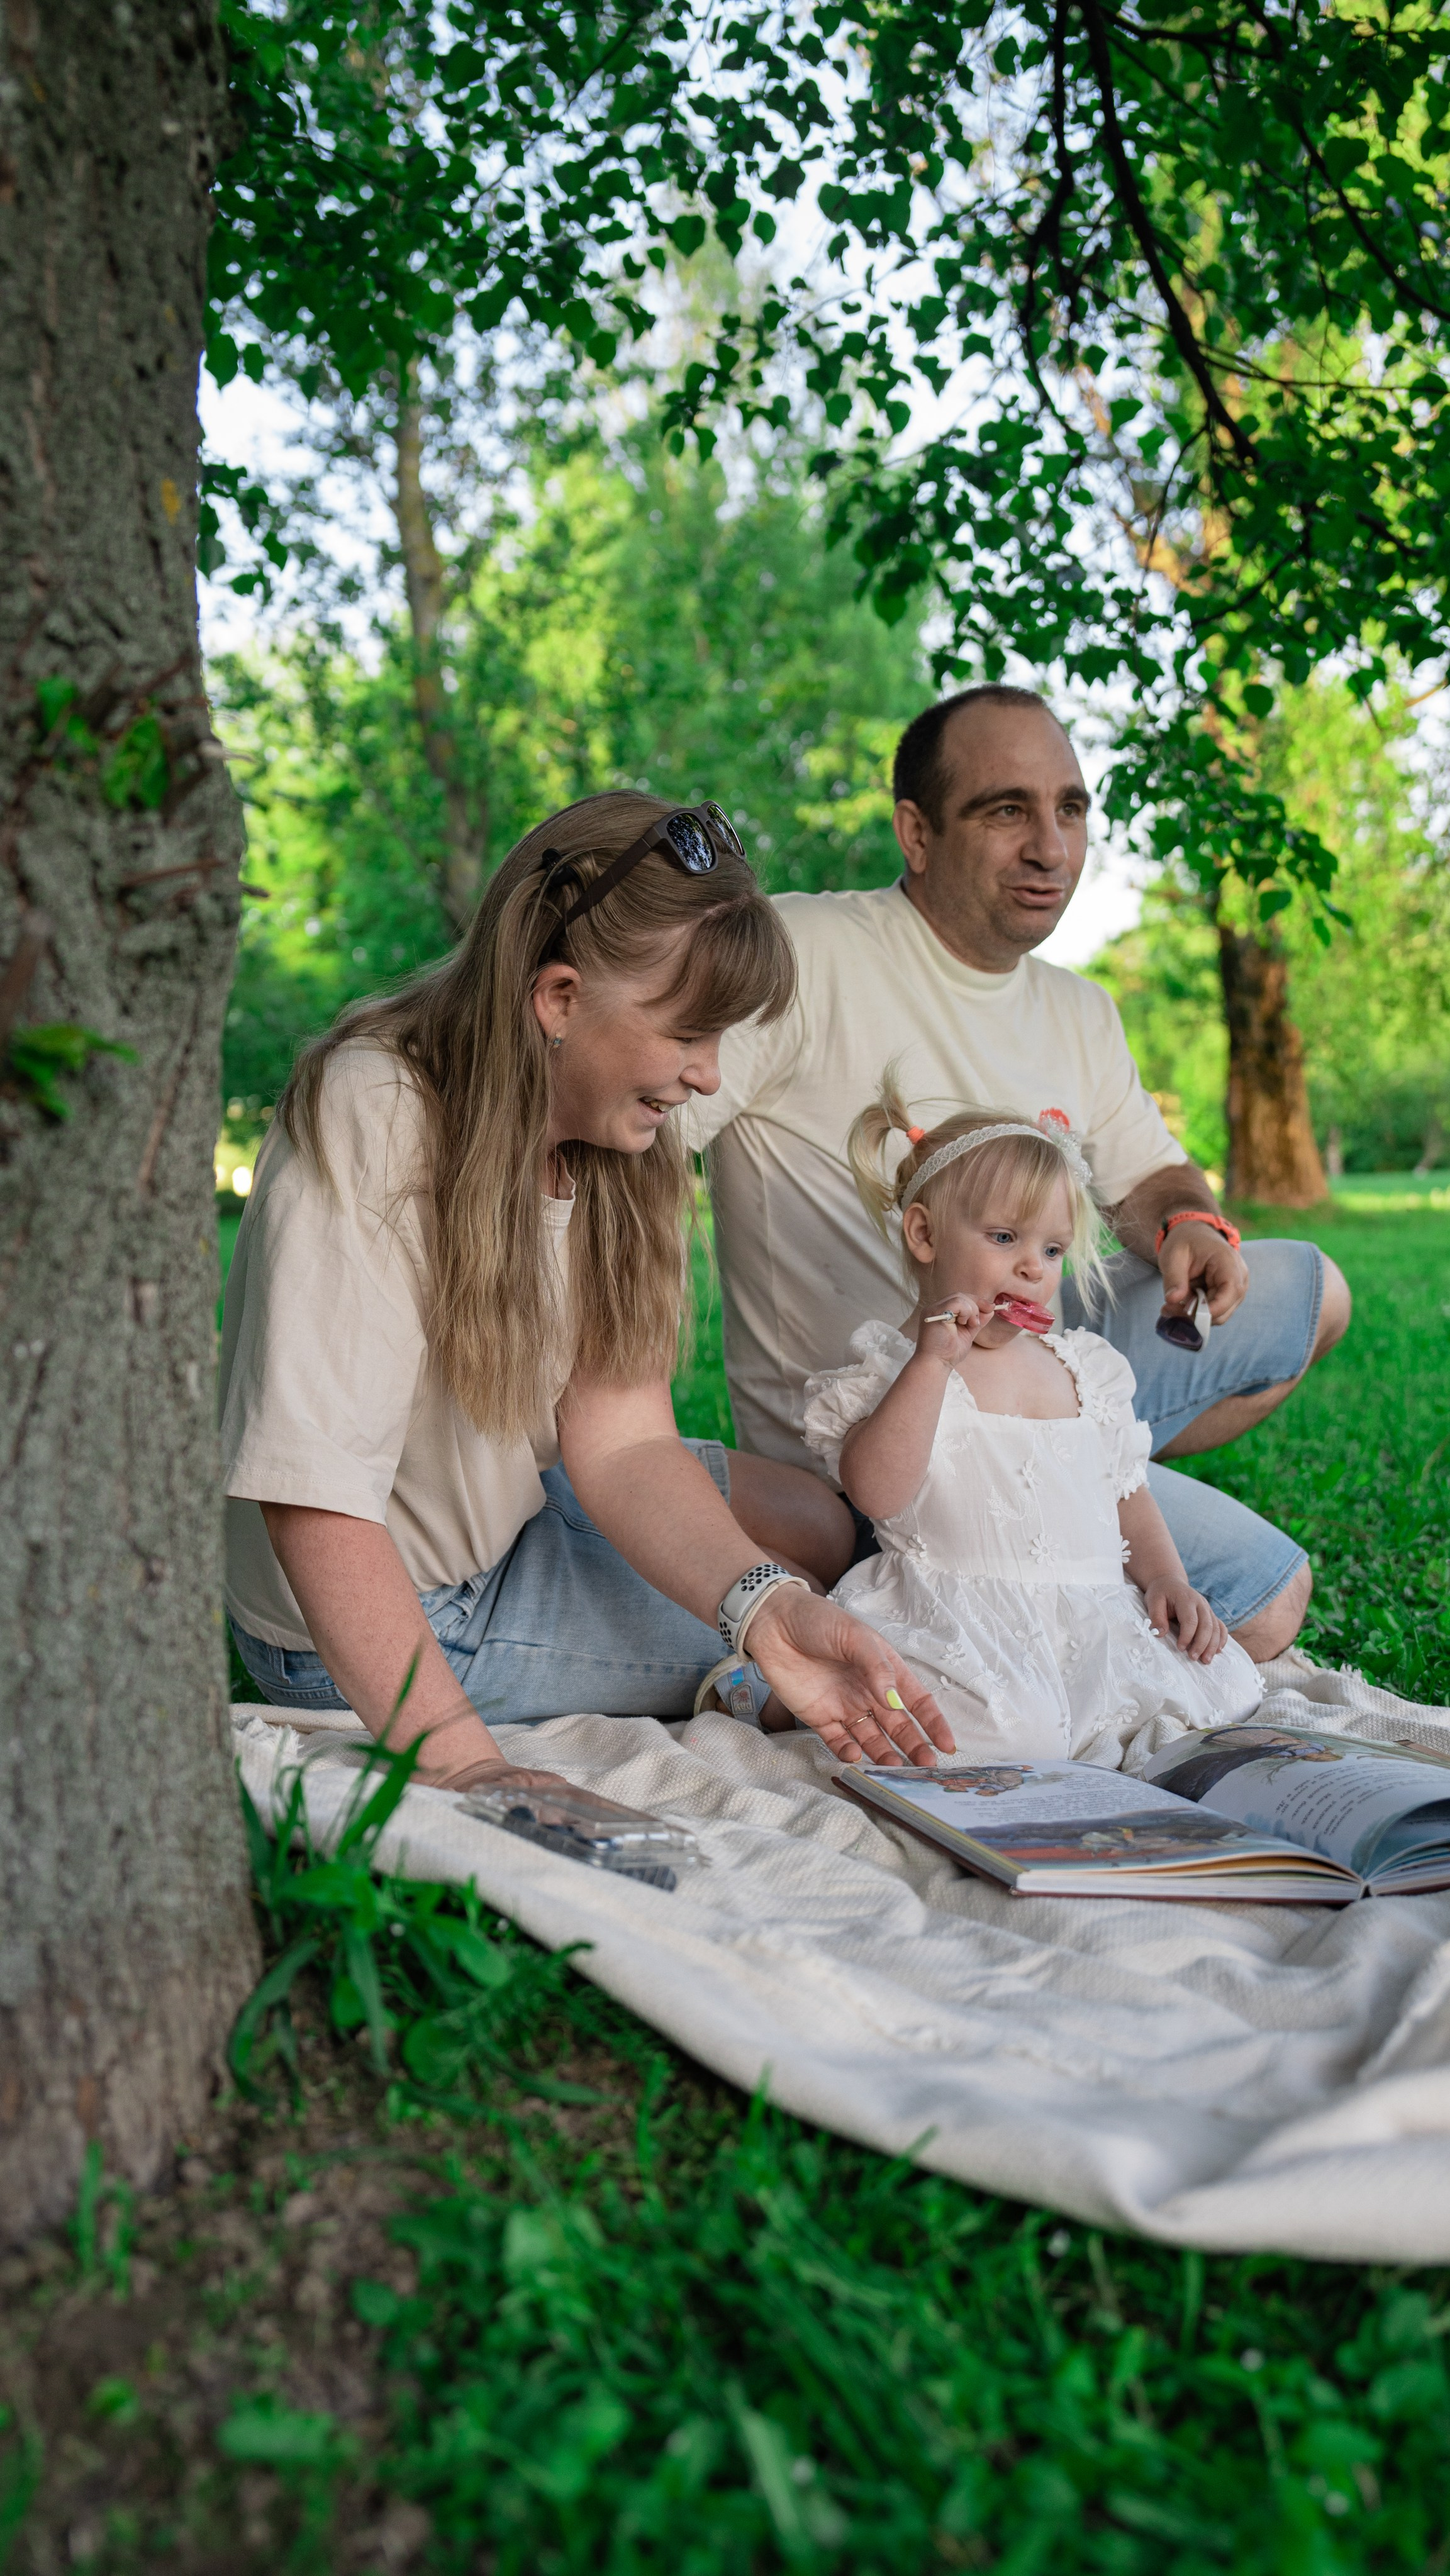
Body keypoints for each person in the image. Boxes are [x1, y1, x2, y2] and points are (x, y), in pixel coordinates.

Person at [220, 791, 953, 1782]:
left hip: (515, 1518)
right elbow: (316, 1504)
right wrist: (467, 1767)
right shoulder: (377, 1107)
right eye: (688, 1033)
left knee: (819, 1537)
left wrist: (764, 1608)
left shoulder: (619, 1132)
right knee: (912, 1644)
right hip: (390, 1610)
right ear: (558, 998)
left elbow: (626, 1443)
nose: (706, 1076)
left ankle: (741, 1658)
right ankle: (723, 1686)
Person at [686, 684, 1351, 1662]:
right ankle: (991, 1525)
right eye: (1007, 811)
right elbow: (645, 1116)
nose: (1050, 846)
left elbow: (1150, 1177)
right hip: (872, 1431)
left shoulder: (1078, 1010)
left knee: (1312, 1293)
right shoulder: (802, 952)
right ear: (916, 832)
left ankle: (1066, 1480)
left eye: (1070, 809)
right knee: (1265, 1607)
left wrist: (1187, 1228)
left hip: (1027, 1373)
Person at [798, 1083, 1263, 1766]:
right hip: (962, 1617)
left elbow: (1124, 1489)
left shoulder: (1078, 1368)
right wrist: (931, 1364)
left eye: (1051, 1250)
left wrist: (1165, 1578)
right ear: (924, 1234)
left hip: (1089, 1612)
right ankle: (783, 1691)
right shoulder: (898, 1366)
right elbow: (876, 1493)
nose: (1031, 1266)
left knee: (1216, 1693)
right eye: (1004, 1238)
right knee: (1008, 1733)